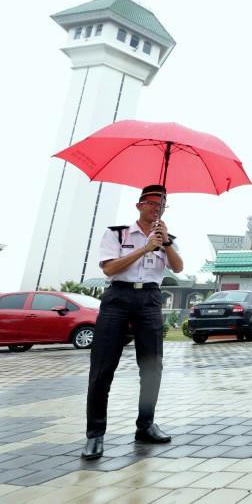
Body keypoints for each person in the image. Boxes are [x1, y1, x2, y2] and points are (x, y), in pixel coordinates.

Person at [81, 184, 183, 460]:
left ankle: (146, 425)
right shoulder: (117, 234)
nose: (156, 208)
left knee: (152, 366)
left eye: (162, 204)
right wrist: (144, 248)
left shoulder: (166, 237)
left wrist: (165, 242)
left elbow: (178, 267)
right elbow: (110, 268)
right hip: (118, 298)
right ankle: (95, 434)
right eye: (151, 203)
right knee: (103, 367)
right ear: (139, 205)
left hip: (149, 299)